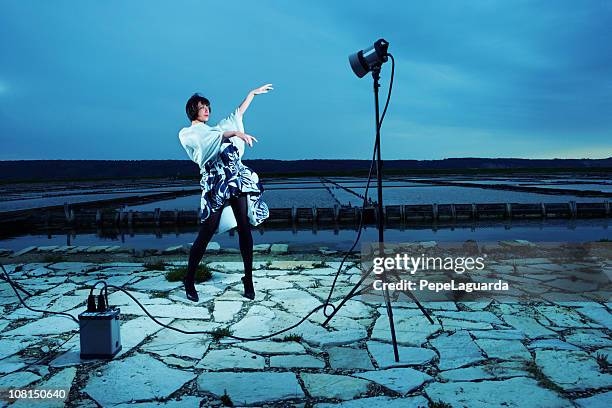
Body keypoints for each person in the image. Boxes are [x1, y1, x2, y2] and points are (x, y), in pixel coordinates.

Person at [178, 84, 273, 302]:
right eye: (202, 107)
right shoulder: (188, 133)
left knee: (244, 229)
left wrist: (251, 94)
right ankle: (189, 279)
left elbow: (236, 114)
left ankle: (248, 279)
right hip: (214, 184)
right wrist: (235, 133)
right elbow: (210, 141)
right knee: (206, 232)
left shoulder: (216, 128)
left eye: (207, 106)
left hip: (234, 180)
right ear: (193, 110)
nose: (206, 110)